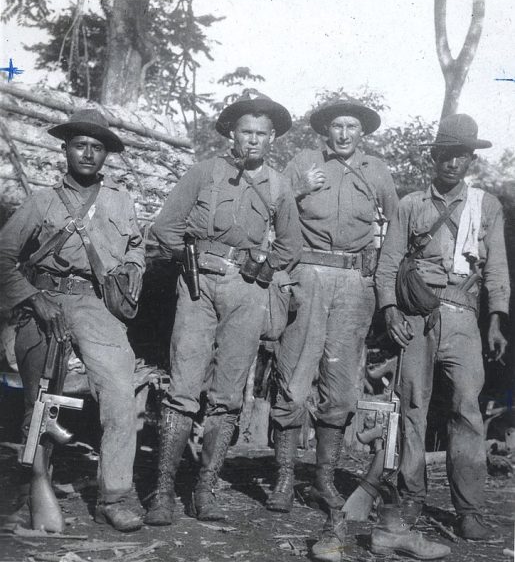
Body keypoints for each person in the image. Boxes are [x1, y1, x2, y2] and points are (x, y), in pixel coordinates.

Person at [146, 90, 302, 526]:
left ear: (272, 139)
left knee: (229, 394)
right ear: (231, 134)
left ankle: (205, 489)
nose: (252, 140)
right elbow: (165, 227)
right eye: (245, 132)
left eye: (261, 134)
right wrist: (189, 261)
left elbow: (290, 245)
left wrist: (263, 267)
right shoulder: (203, 172)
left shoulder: (278, 185)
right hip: (197, 287)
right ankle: (161, 493)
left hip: (247, 291)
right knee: (182, 388)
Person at [0, 109, 146, 532]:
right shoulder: (41, 201)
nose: (88, 153)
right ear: (65, 149)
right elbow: (4, 255)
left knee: (121, 393)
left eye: (97, 148)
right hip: (45, 302)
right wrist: (33, 298)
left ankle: (114, 497)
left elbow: (136, 245)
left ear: (106, 156)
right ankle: (35, 484)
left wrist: (133, 269)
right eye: (80, 145)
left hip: (97, 306)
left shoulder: (120, 201)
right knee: (42, 401)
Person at [375, 113, 510, 543]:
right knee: (412, 406)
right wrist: (391, 312)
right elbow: (387, 265)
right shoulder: (411, 204)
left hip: (464, 318)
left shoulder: (486, 206)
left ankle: (469, 510)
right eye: (446, 155)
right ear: (434, 157)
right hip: (415, 316)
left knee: (468, 411)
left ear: (471, 159)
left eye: (461, 156)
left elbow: (497, 272)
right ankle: (412, 497)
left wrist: (496, 321)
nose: (452, 164)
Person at [267, 98, 398, 513]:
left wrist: (382, 274)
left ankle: (323, 481)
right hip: (308, 274)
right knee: (294, 376)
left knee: (341, 386)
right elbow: (270, 206)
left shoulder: (376, 170)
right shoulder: (303, 160)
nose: (343, 134)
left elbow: (398, 226)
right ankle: (285, 480)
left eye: (352, 127)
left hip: (355, 283)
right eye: (337, 126)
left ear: (362, 133)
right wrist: (299, 188)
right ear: (326, 131)